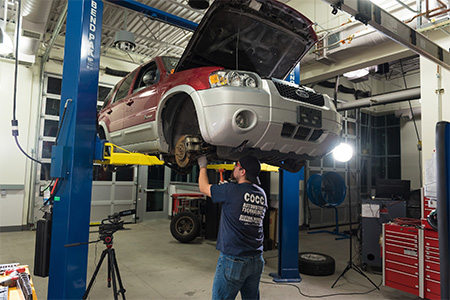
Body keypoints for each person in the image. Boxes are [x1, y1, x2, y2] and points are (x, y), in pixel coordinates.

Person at [197, 155, 267, 300]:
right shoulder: (262, 194)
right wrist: (227, 190)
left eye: (236, 165)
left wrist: (202, 165)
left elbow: (203, 188)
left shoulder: (230, 190)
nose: (234, 167)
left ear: (243, 172)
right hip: (256, 260)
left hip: (234, 260)